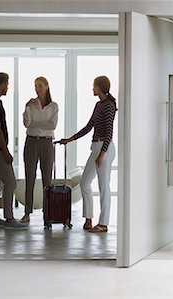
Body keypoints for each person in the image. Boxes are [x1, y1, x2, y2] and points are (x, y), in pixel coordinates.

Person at [60, 76, 117, 233]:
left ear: (99, 87)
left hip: (104, 149)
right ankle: (89, 219)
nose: (92, 89)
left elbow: (109, 133)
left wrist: (101, 155)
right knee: (85, 183)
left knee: (104, 186)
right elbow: (88, 127)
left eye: (94, 86)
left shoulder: (110, 106)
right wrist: (69, 139)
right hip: (95, 148)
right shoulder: (98, 105)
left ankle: (103, 224)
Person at [20, 77, 59, 223]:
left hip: (47, 143)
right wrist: (26, 107)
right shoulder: (31, 104)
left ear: (47, 86)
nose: (37, 88)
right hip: (31, 142)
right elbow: (26, 123)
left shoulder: (54, 106)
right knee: (29, 177)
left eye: (40, 86)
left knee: (47, 180)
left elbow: (52, 126)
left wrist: (35, 124)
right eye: (35, 86)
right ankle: (27, 213)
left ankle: (47, 213)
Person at [0, 72, 27, 229]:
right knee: (10, 182)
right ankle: (9, 218)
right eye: (7, 84)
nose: (7, 87)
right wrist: (6, 151)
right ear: (1, 84)